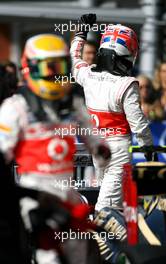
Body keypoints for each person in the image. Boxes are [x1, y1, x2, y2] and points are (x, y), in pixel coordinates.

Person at [0, 33, 111, 207]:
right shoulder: (15, 107)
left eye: (60, 67)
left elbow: (96, 141)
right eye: (48, 68)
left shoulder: (73, 104)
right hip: (33, 196)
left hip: (68, 194)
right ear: (31, 67)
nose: (54, 75)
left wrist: (105, 151)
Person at [70, 14, 153, 212]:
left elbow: (74, 57)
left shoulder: (87, 74)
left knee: (106, 208)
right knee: (108, 210)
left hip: (99, 150)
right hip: (117, 152)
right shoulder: (127, 84)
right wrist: (148, 150)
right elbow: (139, 124)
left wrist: (81, 32)